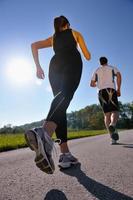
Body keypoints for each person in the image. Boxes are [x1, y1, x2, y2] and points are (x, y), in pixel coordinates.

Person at [25, 15, 91, 174]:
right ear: (67, 24)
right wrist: (82, 47)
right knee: (65, 97)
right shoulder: (75, 33)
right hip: (72, 62)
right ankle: (44, 133)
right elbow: (88, 56)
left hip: (53, 67)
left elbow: (33, 45)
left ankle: (65, 154)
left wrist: (38, 67)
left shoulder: (53, 38)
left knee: (61, 106)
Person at [90, 57, 122, 145]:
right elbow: (119, 75)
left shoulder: (97, 70)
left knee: (106, 114)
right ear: (107, 61)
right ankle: (113, 124)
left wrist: (98, 84)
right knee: (115, 111)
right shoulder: (112, 68)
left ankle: (112, 139)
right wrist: (119, 89)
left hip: (101, 92)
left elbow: (92, 84)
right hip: (111, 90)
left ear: (100, 62)